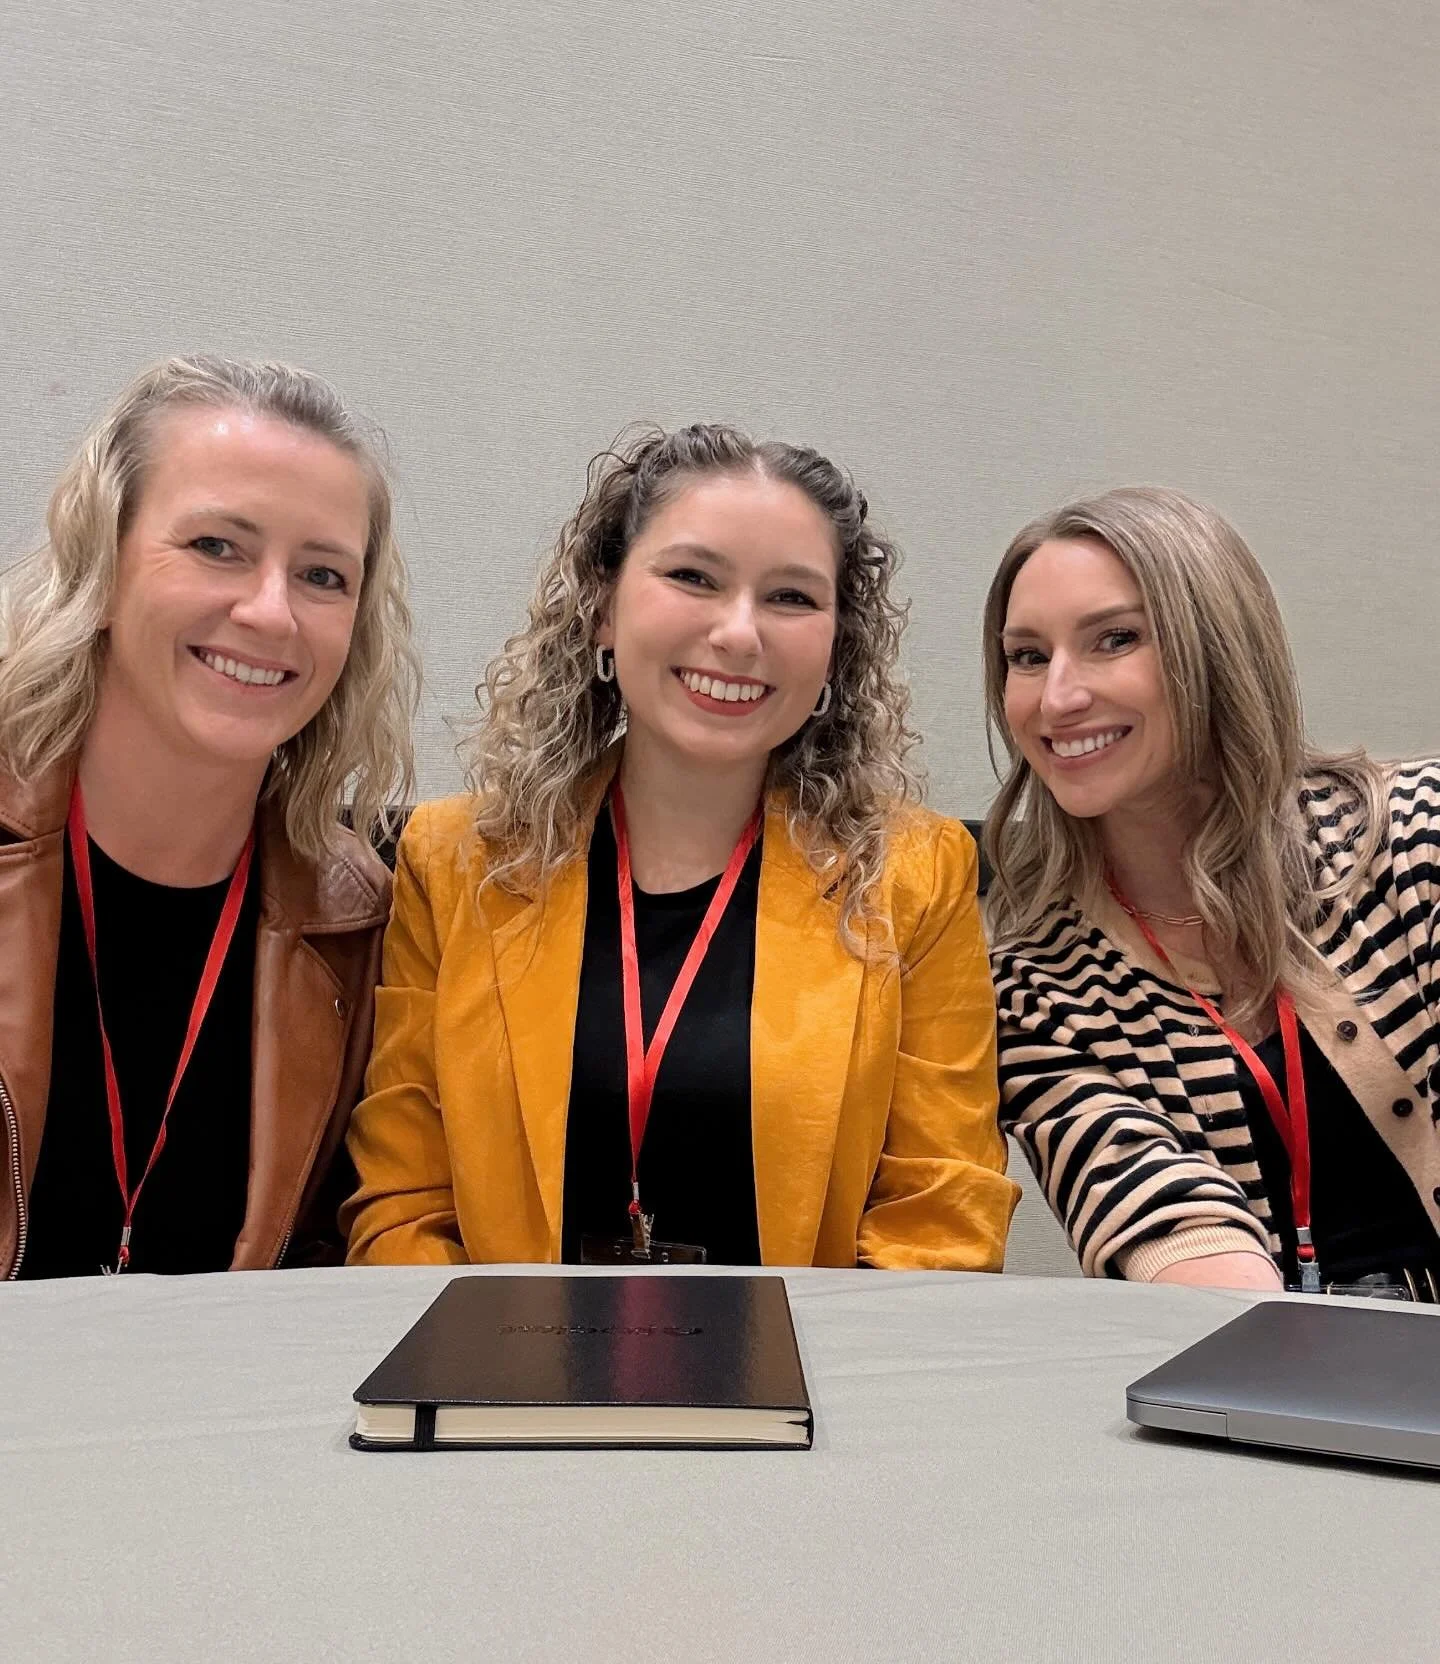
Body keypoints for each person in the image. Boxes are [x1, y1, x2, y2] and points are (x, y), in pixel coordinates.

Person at [344, 424, 1017, 1268]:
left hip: (809, 1388)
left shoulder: (915, 875)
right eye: (693, 577)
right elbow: (403, 1205)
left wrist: (830, 1396)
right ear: (601, 608)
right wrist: (482, 1386)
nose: (739, 634)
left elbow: (942, 1214)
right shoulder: (455, 863)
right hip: (506, 1381)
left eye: (792, 598)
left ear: (838, 647)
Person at [0, 355, 418, 1278]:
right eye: (216, 547)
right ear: (101, 563)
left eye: (321, 575)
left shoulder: (362, 922)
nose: (270, 613)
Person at [984, 486, 1440, 1296]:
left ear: (1217, 647)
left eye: (1114, 639)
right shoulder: (1036, 989)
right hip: (1286, 1378)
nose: (1057, 697)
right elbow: (1181, 1242)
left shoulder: (1415, 840)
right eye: (1027, 656)